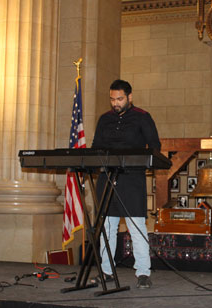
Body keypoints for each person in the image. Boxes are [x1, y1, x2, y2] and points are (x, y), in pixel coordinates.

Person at [92, 79, 160, 289]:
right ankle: (107, 271)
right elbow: (96, 147)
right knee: (107, 227)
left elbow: (154, 147)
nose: (115, 103)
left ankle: (143, 273)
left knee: (136, 226)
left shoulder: (142, 117)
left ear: (130, 97)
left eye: (120, 99)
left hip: (132, 179)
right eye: (112, 99)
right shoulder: (104, 119)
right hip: (107, 178)